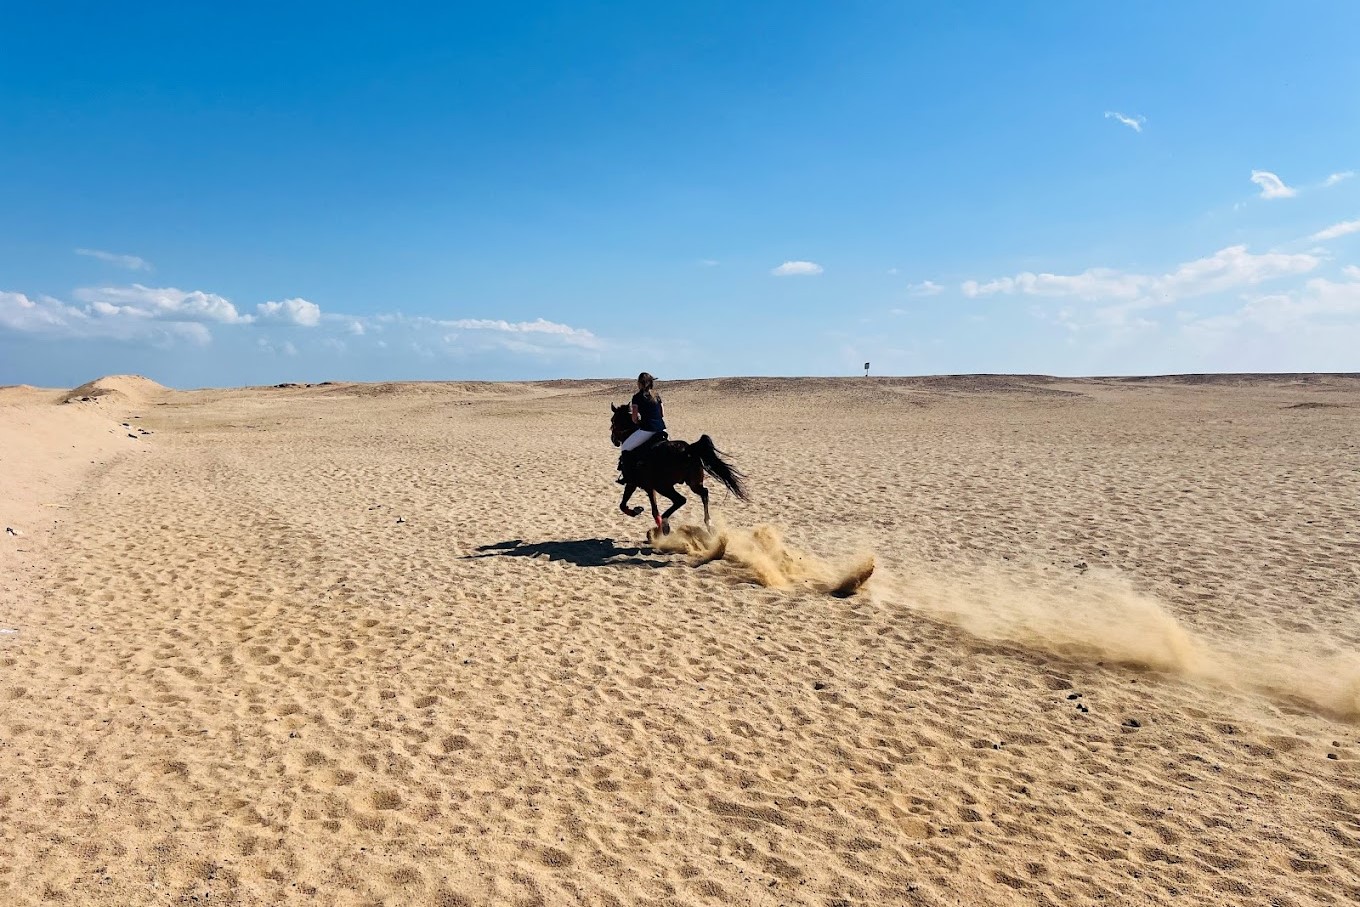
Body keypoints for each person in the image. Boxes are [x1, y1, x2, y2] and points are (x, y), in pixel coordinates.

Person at [617, 371, 666, 483]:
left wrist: (638, 422)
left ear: (640, 383)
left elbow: (634, 418)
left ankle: (627, 476)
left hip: (647, 429)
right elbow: (662, 414)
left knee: (625, 447)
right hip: (662, 429)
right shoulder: (657, 396)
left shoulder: (637, 397)